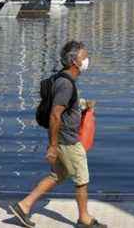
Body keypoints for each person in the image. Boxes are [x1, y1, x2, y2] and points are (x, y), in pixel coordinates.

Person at [9, 40, 105, 228]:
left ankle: (24, 205)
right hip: (67, 141)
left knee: (58, 175)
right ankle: (84, 218)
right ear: (74, 61)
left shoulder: (63, 79)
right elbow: (55, 114)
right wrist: (53, 146)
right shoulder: (65, 84)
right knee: (82, 179)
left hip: (62, 139)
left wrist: (83, 105)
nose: (87, 60)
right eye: (84, 57)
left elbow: (65, 106)